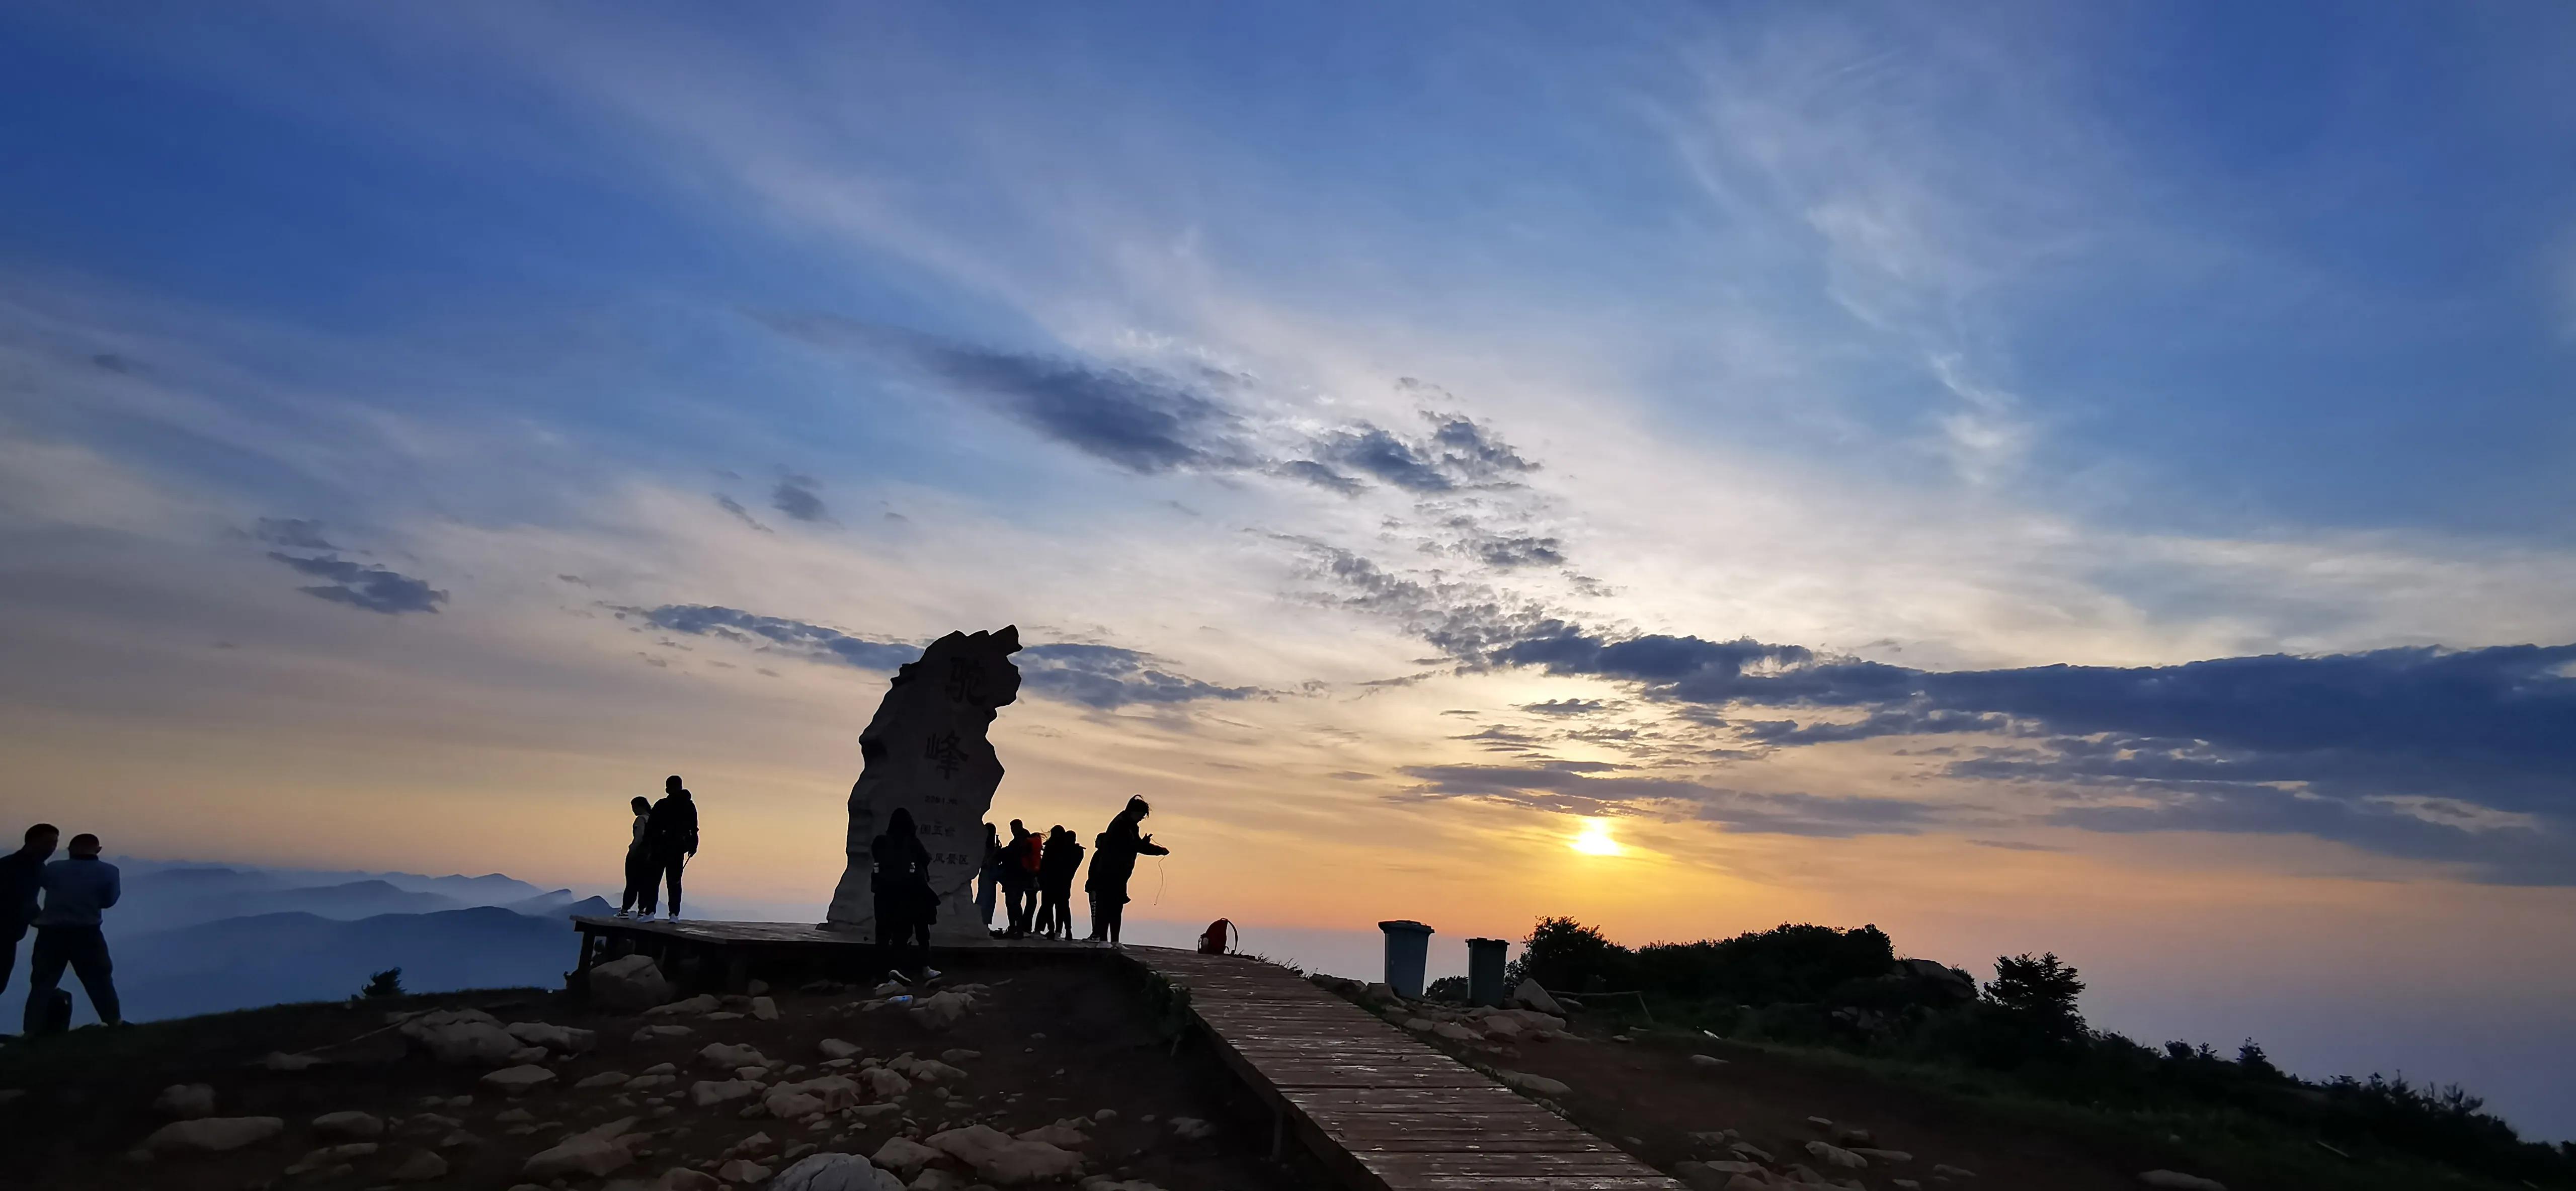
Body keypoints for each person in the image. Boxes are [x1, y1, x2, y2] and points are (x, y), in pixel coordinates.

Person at [22, 832, 119, 1034]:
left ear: (69, 849)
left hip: (50, 933)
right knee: (99, 980)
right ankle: (114, 1022)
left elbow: (43, 887)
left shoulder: (54, 869)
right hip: (88, 933)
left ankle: (32, 1031)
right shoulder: (109, 871)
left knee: (42, 984)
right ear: (98, 850)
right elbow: (109, 901)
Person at [1085, 797, 1168, 947]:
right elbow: (1133, 846)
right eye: (1141, 816)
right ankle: (1104, 940)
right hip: (1111, 872)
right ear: (1133, 812)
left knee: (1117, 906)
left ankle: (1115, 941)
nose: (1141, 819)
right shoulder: (1121, 825)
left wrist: (1145, 845)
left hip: (1121, 874)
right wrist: (1157, 850)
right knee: (1106, 906)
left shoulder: (1129, 825)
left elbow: (1135, 845)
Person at [869, 807, 935, 983]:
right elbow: (926, 859)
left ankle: (882, 973)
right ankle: (899, 969)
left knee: (882, 934)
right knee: (902, 934)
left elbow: (876, 858)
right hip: (904, 895)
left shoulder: (881, 842)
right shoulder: (911, 842)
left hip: (882, 894)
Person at [1, 823, 59, 1007]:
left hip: (10, 934)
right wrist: (43, 920)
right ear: (32, 842)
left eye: (55, 844)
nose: (52, 848)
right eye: (48, 843)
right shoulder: (13, 867)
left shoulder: (36, 867)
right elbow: (20, 900)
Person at [640, 776, 698, 920]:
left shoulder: (661, 805)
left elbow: (651, 828)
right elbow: (694, 828)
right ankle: (674, 915)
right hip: (678, 848)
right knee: (675, 882)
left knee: (653, 881)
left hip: (659, 848)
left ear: (667, 789)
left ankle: (650, 913)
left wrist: (647, 845)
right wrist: (693, 845)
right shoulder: (689, 805)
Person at [1037, 826, 1084, 941]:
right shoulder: (1075, 850)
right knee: (1062, 907)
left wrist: (1041, 879)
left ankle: (1053, 930)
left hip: (1050, 882)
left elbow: (1044, 865)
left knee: (1049, 906)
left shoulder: (1052, 847)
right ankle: (1063, 930)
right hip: (1064, 883)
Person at [998, 820, 1038, 938]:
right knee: (1014, 903)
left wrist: (1000, 853)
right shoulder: (1024, 840)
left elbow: (1012, 855)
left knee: (1013, 903)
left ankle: (1016, 929)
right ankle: (1016, 929)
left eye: (1013, 828)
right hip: (1019, 877)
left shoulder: (1021, 841)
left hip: (1015, 877)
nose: (1012, 830)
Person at [616, 796, 655, 918]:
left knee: (632, 883)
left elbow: (639, 838)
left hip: (637, 856)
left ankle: (625, 910)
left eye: (634, 807)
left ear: (640, 806)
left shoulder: (641, 820)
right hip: (650, 856)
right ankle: (642, 911)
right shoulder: (653, 820)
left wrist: (632, 849)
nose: (633, 810)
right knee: (645, 883)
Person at [975, 824, 1004, 935]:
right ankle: (982, 923)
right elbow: (985, 862)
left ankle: (985, 924)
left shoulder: (988, 846)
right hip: (988, 874)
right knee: (986, 898)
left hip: (990, 875)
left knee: (989, 899)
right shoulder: (984, 847)